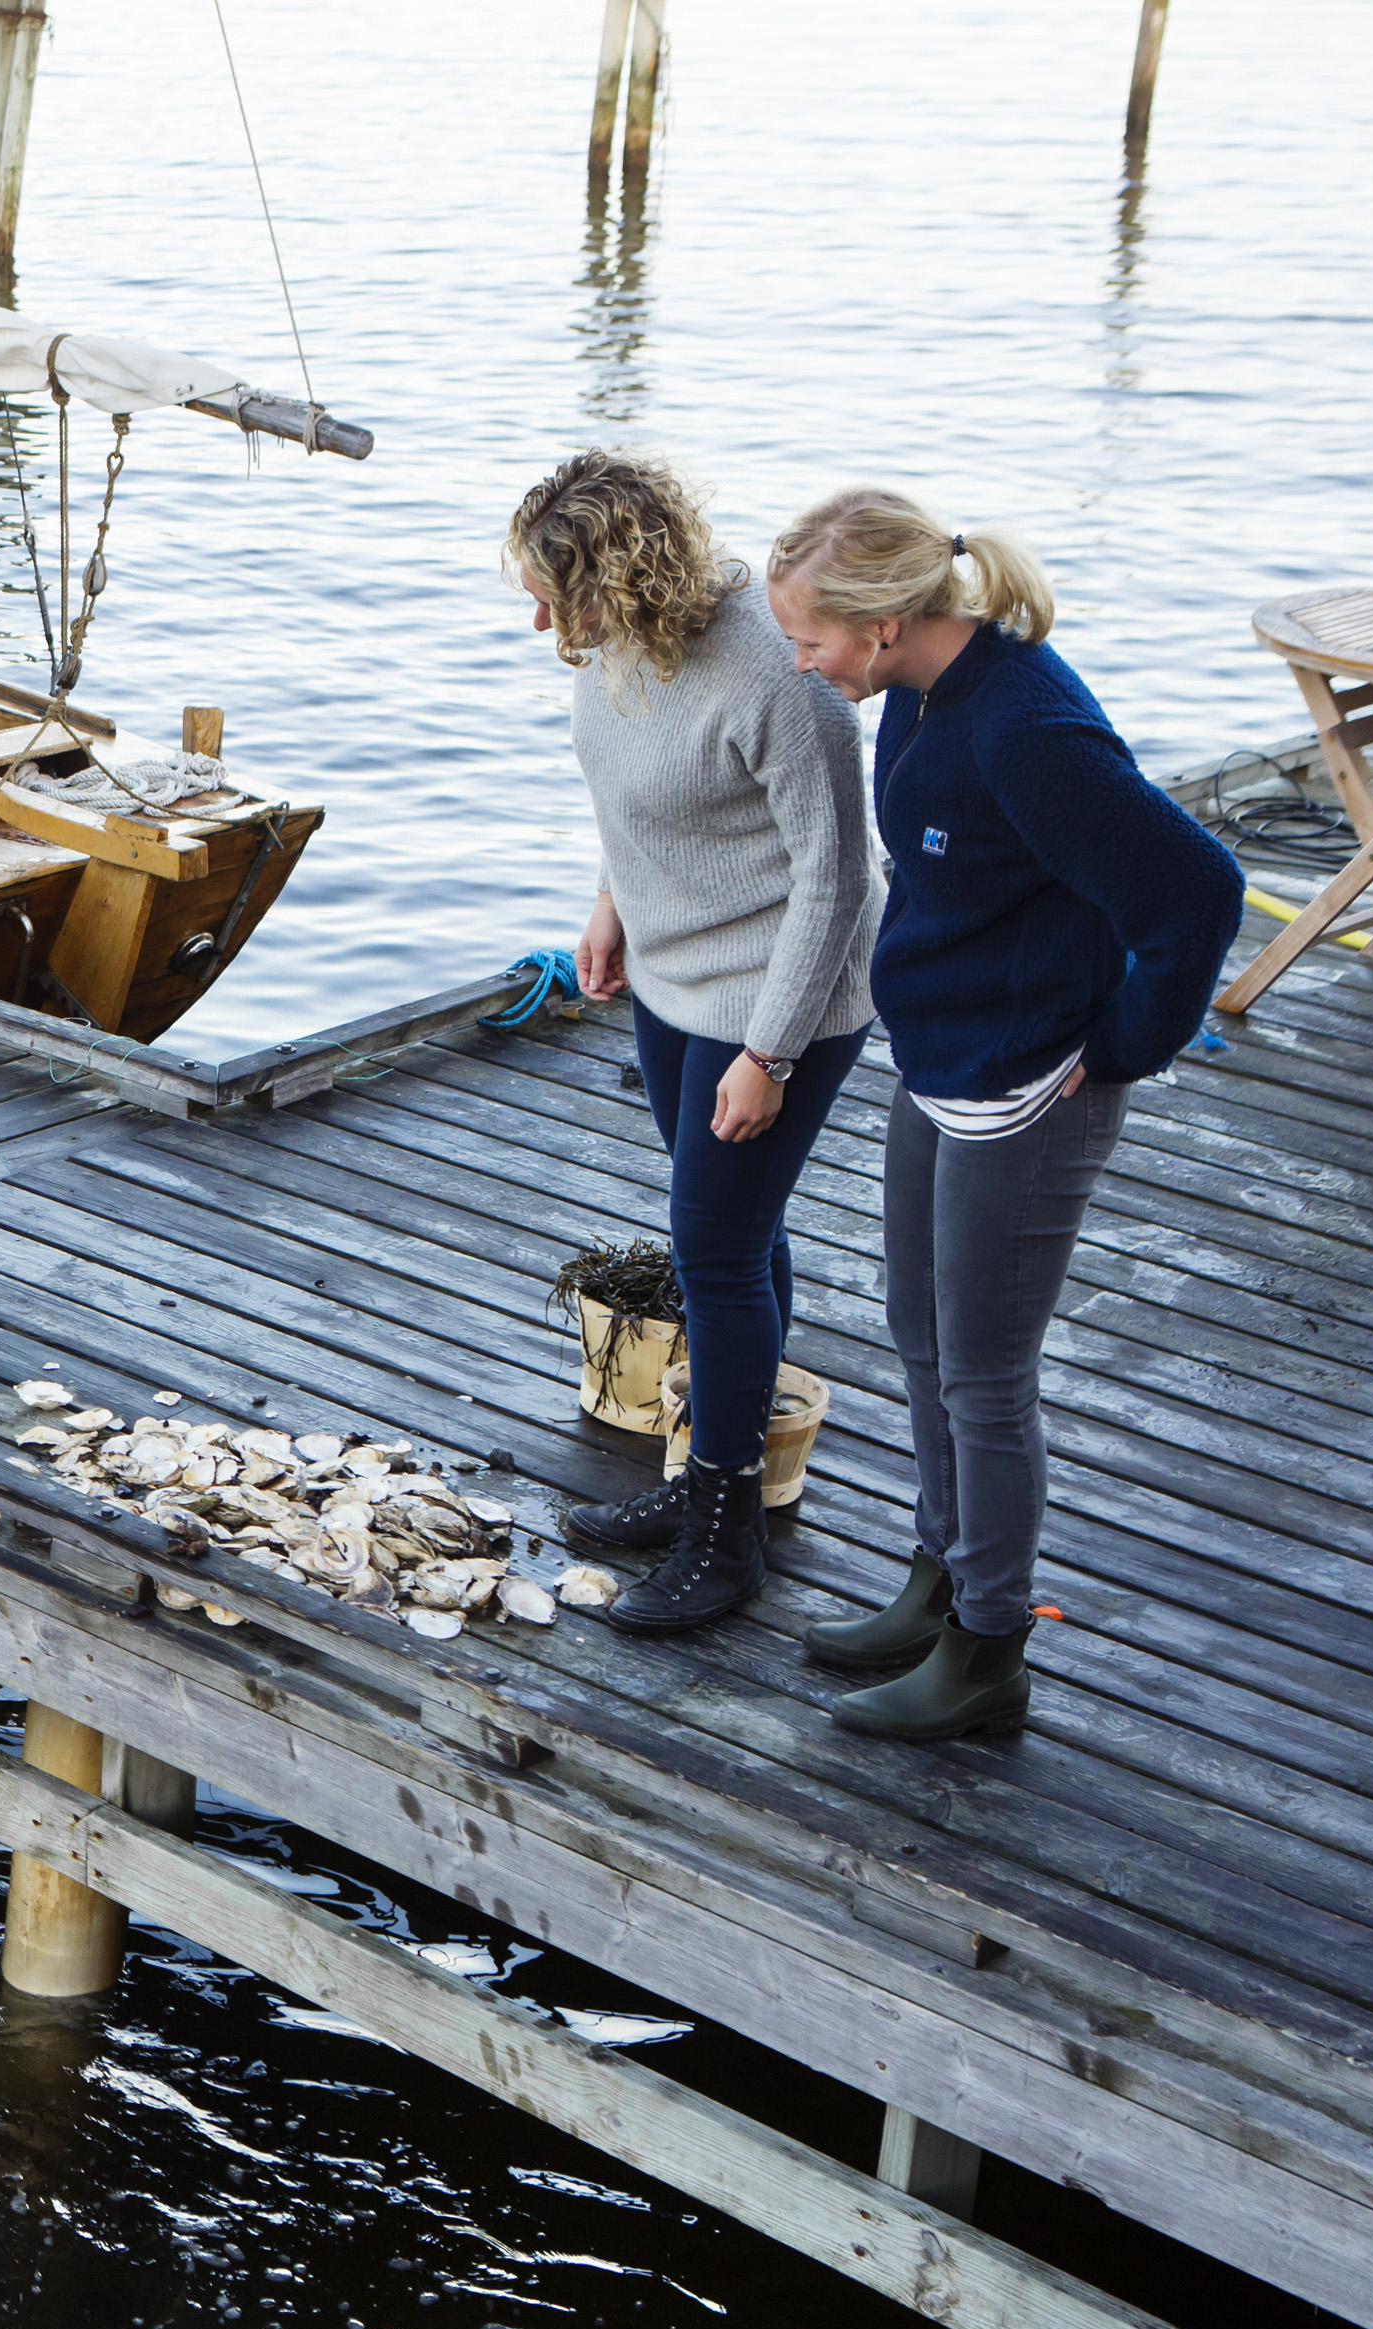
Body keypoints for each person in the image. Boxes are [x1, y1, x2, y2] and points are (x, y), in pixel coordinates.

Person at [764, 489, 1242, 1741]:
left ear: (879, 625)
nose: (800, 664)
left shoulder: (1027, 730)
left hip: (1028, 1090)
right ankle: (938, 1580)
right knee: (918, 1337)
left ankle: (988, 1648)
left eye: (809, 641)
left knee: (984, 1376)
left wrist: (1127, 1045)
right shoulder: (916, 693)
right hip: (938, 1058)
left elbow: (1197, 889)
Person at [510, 450, 880, 1635]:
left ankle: (726, 1537)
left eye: (550, 592)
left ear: (616, 579)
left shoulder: (781, 678)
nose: (536, 618)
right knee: (735, 1229)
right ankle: (715, 1481)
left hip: (781, 1000)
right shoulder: (619, 648)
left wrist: (768, 1056)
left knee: (714, 1251)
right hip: (673, 982)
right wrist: (608, 908)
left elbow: (834, 878)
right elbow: (624, 800)